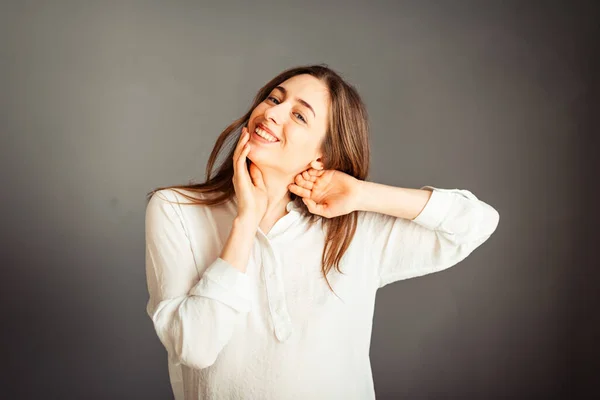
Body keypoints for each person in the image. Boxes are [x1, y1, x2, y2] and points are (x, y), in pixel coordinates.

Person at [144, 65, 500, 400]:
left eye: (299, 115)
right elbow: (196, 348)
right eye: (274, 98)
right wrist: (246, 221)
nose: (272, 114)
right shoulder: (176, 209)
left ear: (322, 156)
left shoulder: (352, 229)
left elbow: (475, 222)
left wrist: (362, 193)